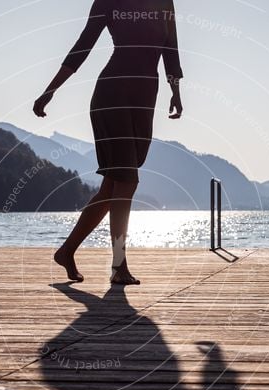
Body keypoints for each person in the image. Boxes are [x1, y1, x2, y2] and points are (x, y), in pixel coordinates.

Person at [34, 0, 184, 285]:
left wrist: (175, 90)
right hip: (112, 95)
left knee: (113, 185)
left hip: (144, 99)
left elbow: (170, 50)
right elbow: (83, 45)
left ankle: (66, 251)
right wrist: (50, 90)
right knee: (127, 180)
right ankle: (118, 265)